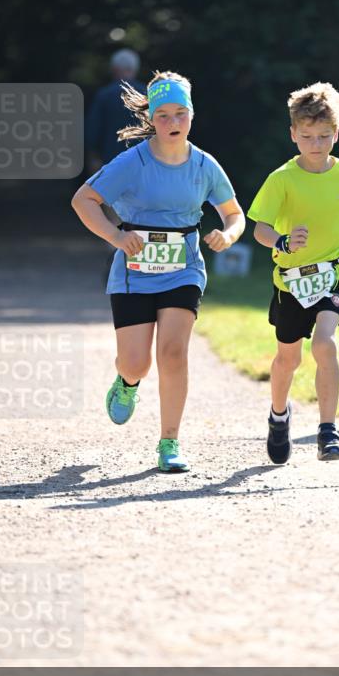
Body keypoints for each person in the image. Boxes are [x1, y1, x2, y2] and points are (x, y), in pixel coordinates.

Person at [71, 70, 245, 472]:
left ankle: (169, 442)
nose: (172, 123)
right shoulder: (132, 162)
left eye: (180, 114)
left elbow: (234, 215)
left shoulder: (204, 165)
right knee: (137, 363)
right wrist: (116, 236)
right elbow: (84, 200)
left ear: (192, 115)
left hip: (183, 269)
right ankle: (127, 382)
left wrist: (228, 235)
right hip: (134, 270)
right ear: (151, 118)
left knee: (173, 352)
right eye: (163, 115)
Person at [247, 82, 339, 464]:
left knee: (324, 344)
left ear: (337, 133)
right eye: (308, 136)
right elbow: (259, 229)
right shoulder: (281, 179)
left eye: (324, 136)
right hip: (292, 280)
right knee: (288, 360)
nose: (316, 144)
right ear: (293, 134)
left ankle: (327, 432)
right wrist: (282, 242)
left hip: (335, 272)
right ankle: (279, 415)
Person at [85, 48, 146, 174]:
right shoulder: (148, 94)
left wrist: (93, 157)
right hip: (143, 161)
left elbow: (93, 130)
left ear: (114, 69)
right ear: (135, 69)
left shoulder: (104, 95)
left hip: (111, 160)